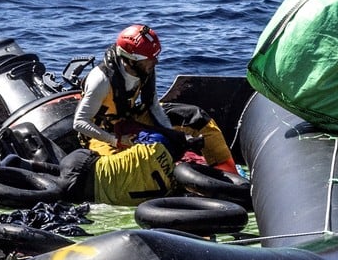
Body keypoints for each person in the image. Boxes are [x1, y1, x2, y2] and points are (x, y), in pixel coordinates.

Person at [72, 24, 237, 172]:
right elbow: (80, 122)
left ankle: (227, 173)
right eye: (150, 60)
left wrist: (173, 136)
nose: (155, 62)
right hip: (102, 133)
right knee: (127, 164)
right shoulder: (101, 80)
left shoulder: (145, 69)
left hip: (129, 117)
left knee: (197, 119)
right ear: (131, 61)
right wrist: (116, 140)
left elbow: (152, 104)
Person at [1, 130, 183, 207]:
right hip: (85, 189)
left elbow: (138, 136)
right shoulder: (171, 187)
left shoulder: (154, 147)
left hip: (84, 160)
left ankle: (24, 164)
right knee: (57, 185)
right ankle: (18, 171)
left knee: (68, 173)